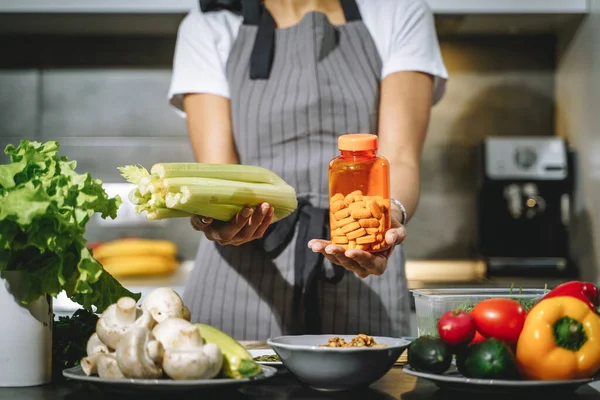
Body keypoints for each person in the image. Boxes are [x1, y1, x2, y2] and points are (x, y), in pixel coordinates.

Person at [167, 0, 448, 340]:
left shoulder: (397, 10)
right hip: (240, 278)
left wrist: (390, 216)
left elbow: (400, 157)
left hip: (362, 257)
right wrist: (221, 220)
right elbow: (219, 174)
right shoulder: (210, 24)